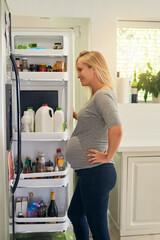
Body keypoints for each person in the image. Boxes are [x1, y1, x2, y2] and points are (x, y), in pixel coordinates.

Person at [65, 50, 122, 240]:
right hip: (89, 172)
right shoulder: (97, 96)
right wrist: (74, 114)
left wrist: (107, 156)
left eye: (81, 69)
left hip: (96, 172)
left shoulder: (103, 95)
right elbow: (92, 123)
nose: (78, 74)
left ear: (94, 68)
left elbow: (117, 129)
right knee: (75, 214)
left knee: (99, 232)